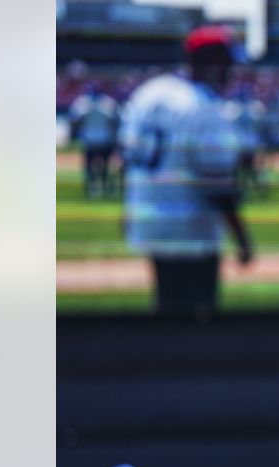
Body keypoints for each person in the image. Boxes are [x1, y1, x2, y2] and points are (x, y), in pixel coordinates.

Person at [120, 25, 254, 319]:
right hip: (191, 224)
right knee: (198, 314)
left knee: (166, 305)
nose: (232, 75)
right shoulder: (205, 107)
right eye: (229, 66)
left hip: (150, 215)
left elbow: (129, 157)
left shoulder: (150, 93)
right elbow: (217, 181)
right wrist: (241, 236)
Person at [68, 84, 120, 198]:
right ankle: (95, 189)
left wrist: (73, 134)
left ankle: (97, 189)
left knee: (100, 166)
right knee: (93, 167)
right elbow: (115, 121)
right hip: (96, 139)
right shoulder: (87, 102)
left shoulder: (102, 102)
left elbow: (75, 120)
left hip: (99, 139)